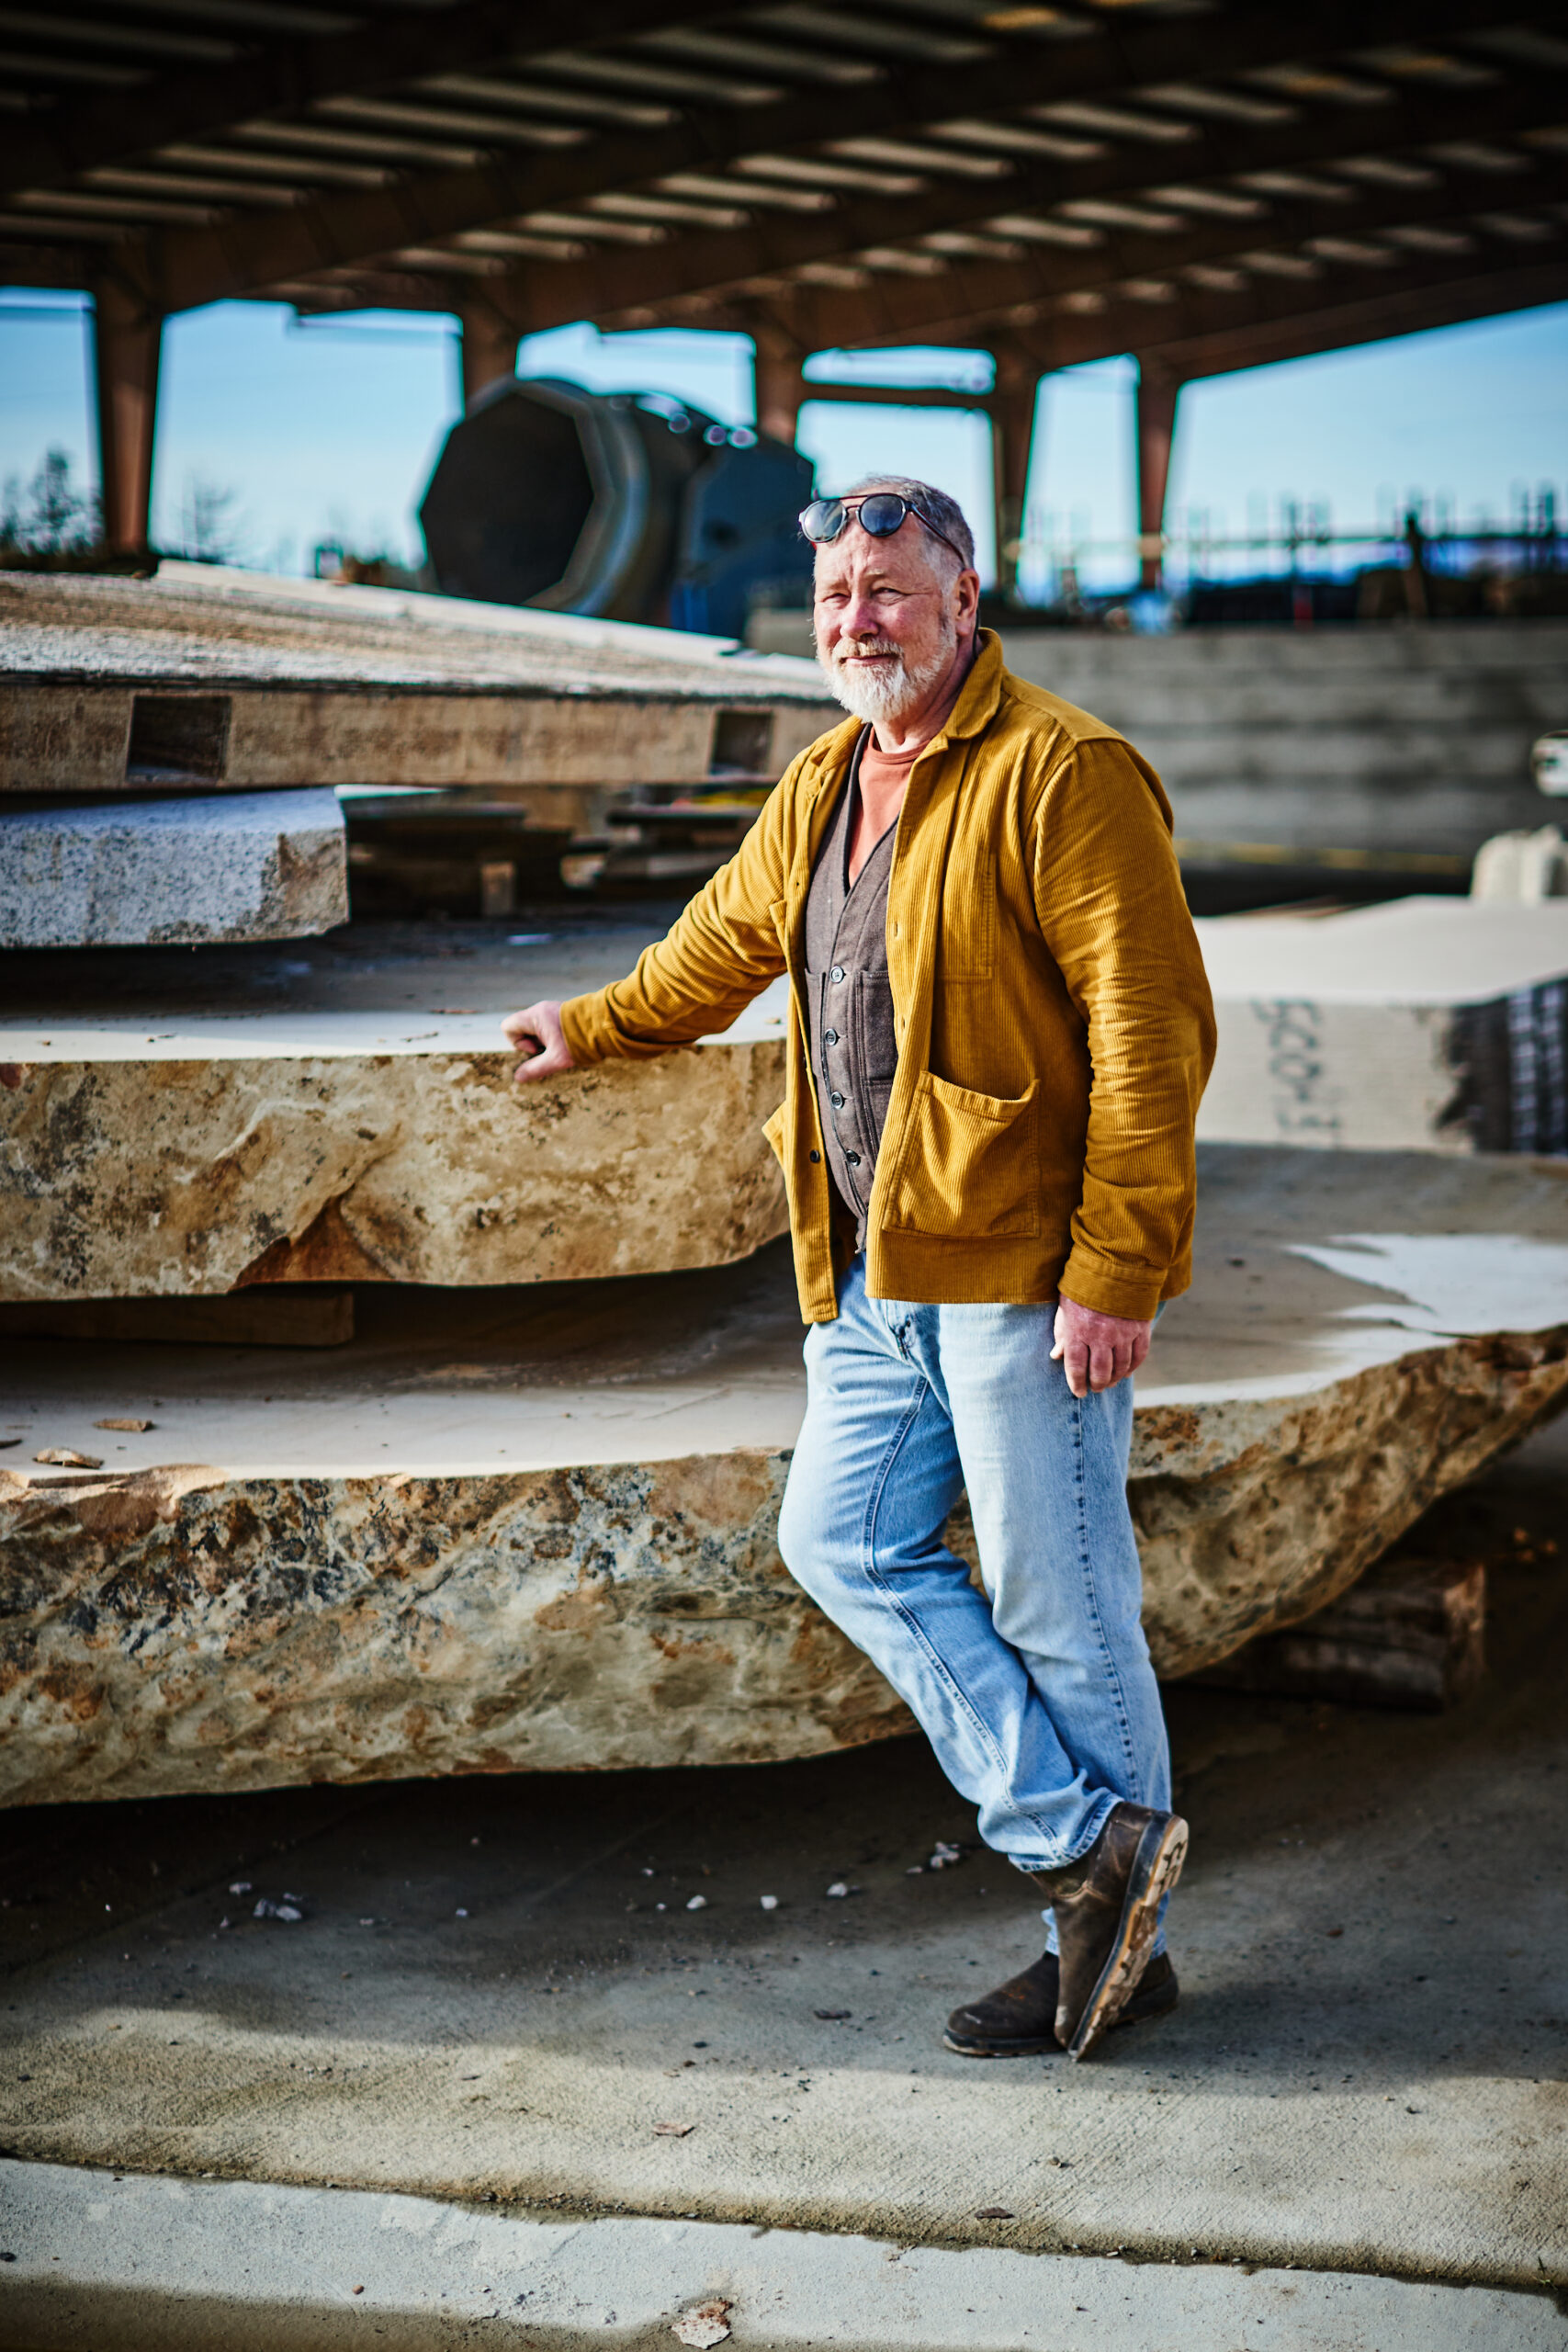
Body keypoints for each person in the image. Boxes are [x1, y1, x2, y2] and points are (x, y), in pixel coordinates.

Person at [504, 478, 1216, 2062]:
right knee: (839, 1541)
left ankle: (1103, 1947)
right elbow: (721, 942)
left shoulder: (1065, 773)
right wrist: (595, 1022)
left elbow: (1150, 1035)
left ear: (966, 599)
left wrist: (1120, 1264)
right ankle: (1082, 1851)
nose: (857, 623)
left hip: (1020, 1265)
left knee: (1061, 1596)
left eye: (888, 593)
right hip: (866, 1265)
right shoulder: (831, 778)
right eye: (837, 598)